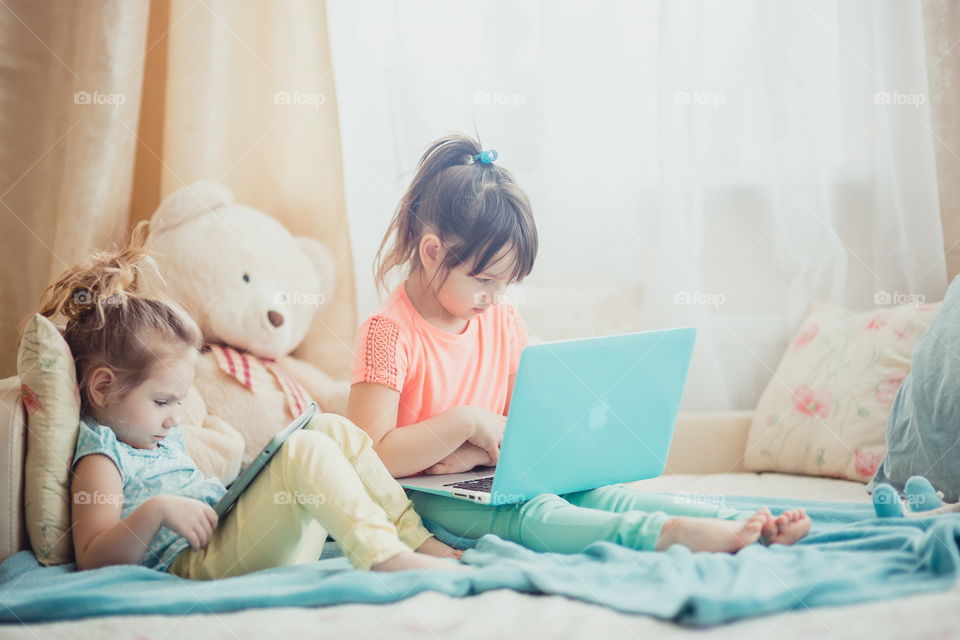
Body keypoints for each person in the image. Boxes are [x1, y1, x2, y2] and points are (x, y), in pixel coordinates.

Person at [346, 134, 811, 554]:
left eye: (506, 285)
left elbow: (520, 427)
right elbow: (371, 459)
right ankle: (668, 535)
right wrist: (467, 423)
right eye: (484, 281)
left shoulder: (501, 320)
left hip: (488, 475)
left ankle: (747, 523)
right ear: (432, 253)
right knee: (534, 516)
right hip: (426, 500)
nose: (495, 299)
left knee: (605, 494)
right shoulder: (388, 333)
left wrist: (469, 451)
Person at [50, 223, 462, 579]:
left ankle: (413, 538)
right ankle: (383, 557)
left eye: (178, 403)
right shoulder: (102, 456)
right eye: (162, 402)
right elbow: (92, 558)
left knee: (329, 428)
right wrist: (155, 511)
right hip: (198, 564)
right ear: (102, 387)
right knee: (305, 450)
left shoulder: (154, 435)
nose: (175, 419)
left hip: (235, 538)